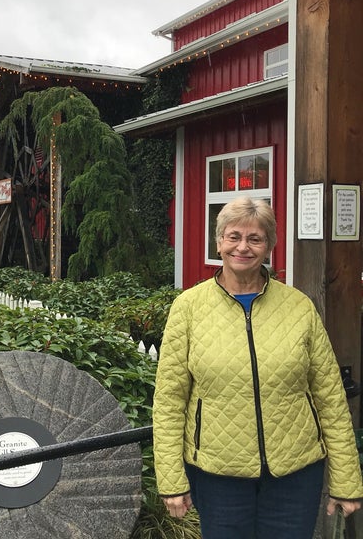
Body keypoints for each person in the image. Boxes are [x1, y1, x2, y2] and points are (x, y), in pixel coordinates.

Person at [153, 197, 362, 538]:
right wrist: (171, 478)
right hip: (218, 474)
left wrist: (346, 480)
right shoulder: (188, 309)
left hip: (295, 474)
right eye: (234, 236)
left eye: (255, 239)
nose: (243, 247)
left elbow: (330, 398)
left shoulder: (298, 307)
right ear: (219, 242)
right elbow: (168, 401)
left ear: (269, 247)